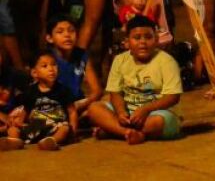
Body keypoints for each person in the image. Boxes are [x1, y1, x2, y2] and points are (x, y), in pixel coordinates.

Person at [87, 16, 182, 144]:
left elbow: (173, 97)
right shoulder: (120, 60)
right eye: (137, 38)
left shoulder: (167, 61)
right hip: (128, 113)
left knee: (158, 121)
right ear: (127, 42)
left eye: (148, 37)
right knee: (94, 108)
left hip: (155, 113)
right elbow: (115, 93)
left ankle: (113, 131)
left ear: (157, 40)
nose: (143, 42)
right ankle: (127, 133)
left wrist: (146, 109)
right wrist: (121, 112)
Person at [1, 50, 77, 150]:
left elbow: (72, 112)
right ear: (34, 73)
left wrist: (73, 130)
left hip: (54, 125)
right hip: (35, 125)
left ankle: (52, 141)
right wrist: (19, 122)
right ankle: (15, 141)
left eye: (53, 65)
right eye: (45, 66)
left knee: (64, 129)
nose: (51, 69)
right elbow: (25, 110)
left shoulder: (63, 90)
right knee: (13, 129)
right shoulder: (30, 91)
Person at [45, 15, 102, 117]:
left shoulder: (81, 55)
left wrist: (79, 106)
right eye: (60, 32)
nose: (67, 35)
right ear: (49, 38)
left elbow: (97, 90)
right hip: (54, 105)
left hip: (78, 104)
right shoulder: (46, 58)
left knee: (101, 106)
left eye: (71, 31)